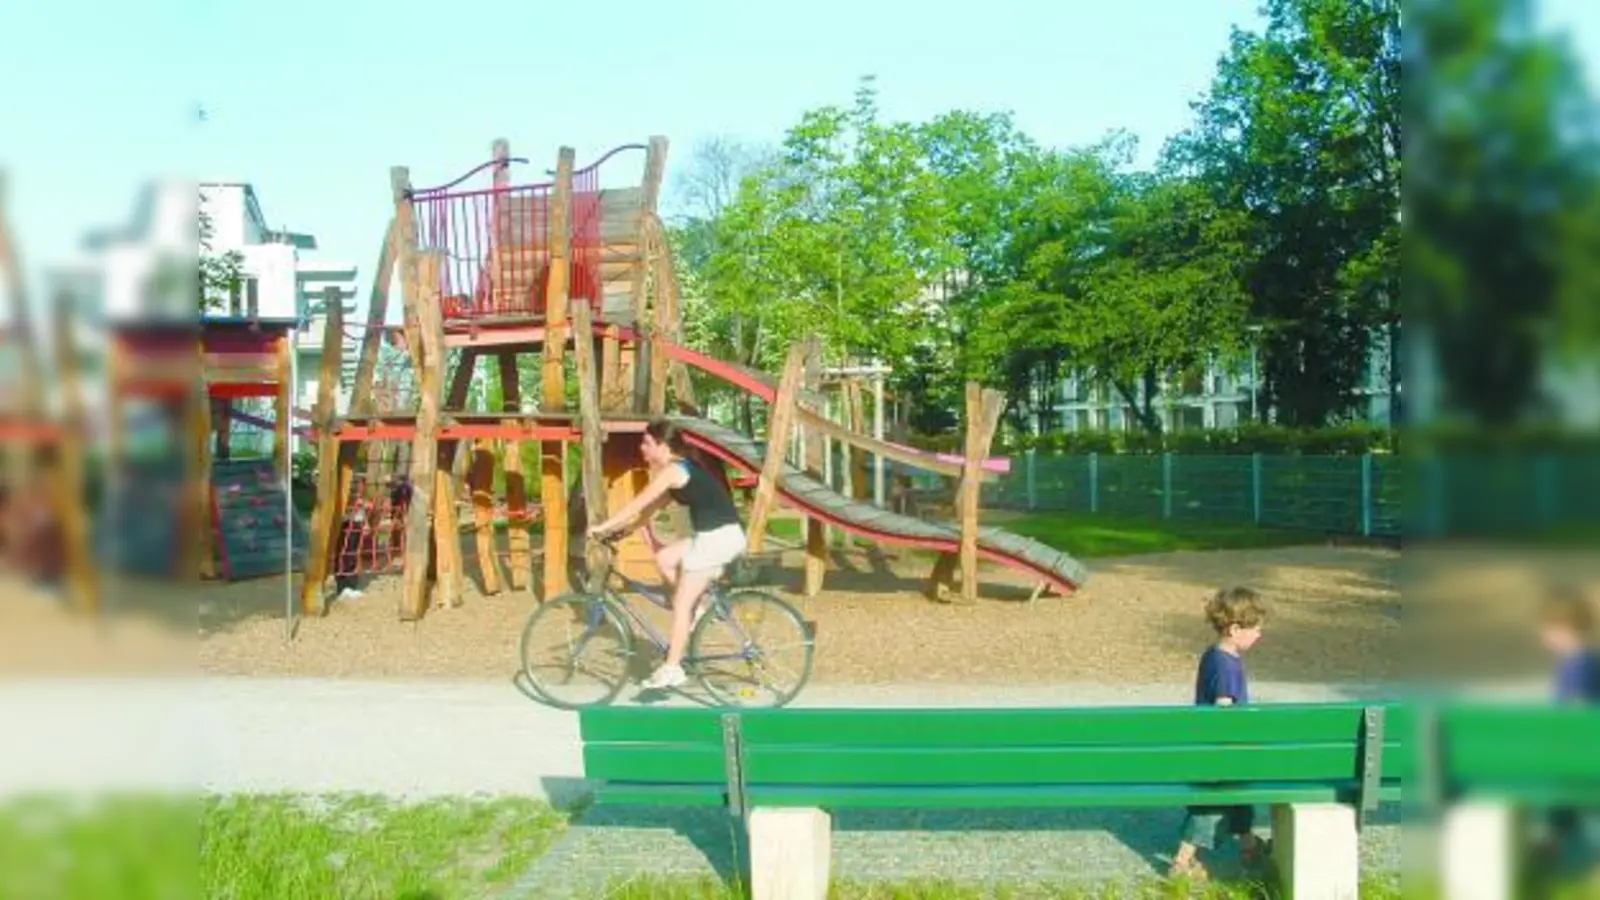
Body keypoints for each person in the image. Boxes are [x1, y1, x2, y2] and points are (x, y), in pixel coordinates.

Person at [587, 419, 748, 691]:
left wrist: (602, 526)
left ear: (662, 445)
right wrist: (622, 533)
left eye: (647, 443)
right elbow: (648, 512)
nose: (642, 447)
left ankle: (673, 668)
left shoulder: (672, 471)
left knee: (681, 605)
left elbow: (639, 502)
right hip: (716, 536)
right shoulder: (678, 471)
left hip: (717, 540)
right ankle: (696, 611)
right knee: (665, 558)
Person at [1169, 586, 1271, 883]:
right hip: (1220, 750)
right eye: (1255, 629)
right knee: (1210, 807)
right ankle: (1181, 862)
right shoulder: (1227, 667)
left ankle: (1250, 849)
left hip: (1216, 749)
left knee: (1238, 800)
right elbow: (1223, 712)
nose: (1259, 635)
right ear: (1235, 629)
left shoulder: (1215, 656)